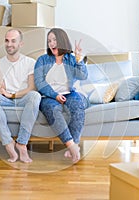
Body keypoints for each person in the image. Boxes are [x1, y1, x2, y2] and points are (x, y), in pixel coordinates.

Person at [0, 29, 41, 163]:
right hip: (5, 99)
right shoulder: (0, 62)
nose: (9, 44)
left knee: (35, 96)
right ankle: (8, 143)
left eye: (13, 41)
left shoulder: (30, 62)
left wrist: (13, 94)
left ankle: (22, 144)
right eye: (7, 40)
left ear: (21, 44)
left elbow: (31, 88)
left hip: (23, 98)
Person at [34, 28, 89, 163]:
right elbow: (39, 82)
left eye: (54, 40)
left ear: (62, 41)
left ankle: (74, 143)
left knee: (77, 104)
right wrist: (55, 95)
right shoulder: (42, 60)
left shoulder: (71, 59)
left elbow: (83, 76)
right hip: (49, 96)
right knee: (53, 109)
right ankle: (71, 146)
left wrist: (79, 59)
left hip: (69, 93)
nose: (51, 43)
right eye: (49, 41)